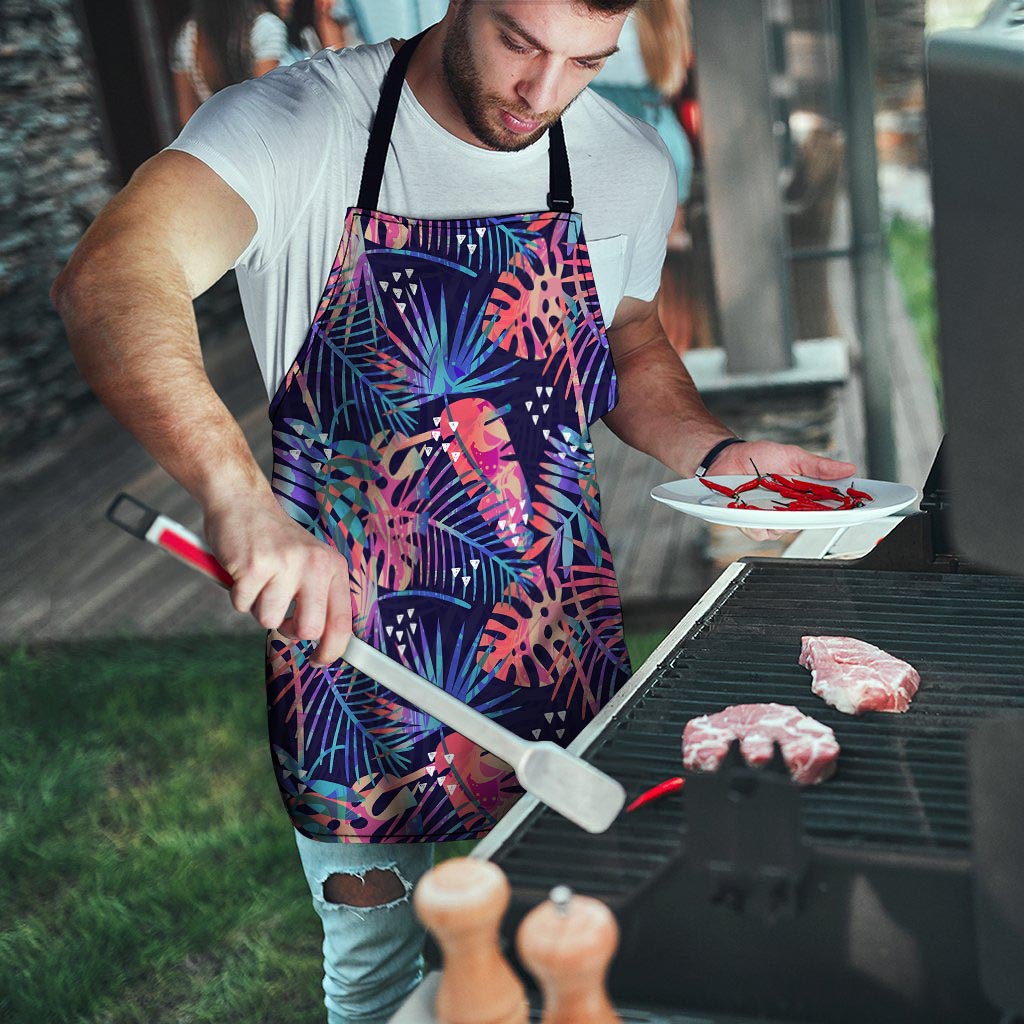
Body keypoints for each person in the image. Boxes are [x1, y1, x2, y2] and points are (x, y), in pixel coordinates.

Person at [52, 1, 855, 1020]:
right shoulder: (297, 125)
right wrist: (236, 497)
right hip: (349, 666)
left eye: (585, 62)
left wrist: (717, 449)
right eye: (520, 42)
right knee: (382, 976)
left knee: (580, 949)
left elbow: (628, 333)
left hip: (555, 648)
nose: (543, 92)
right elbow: (112, 276)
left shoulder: (624, 159)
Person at [171, 0, 288, 127]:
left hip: (215, 138)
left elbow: (187, 117)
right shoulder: (265, 27)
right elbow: (266, 104)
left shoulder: (188, 35)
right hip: (264, 136)